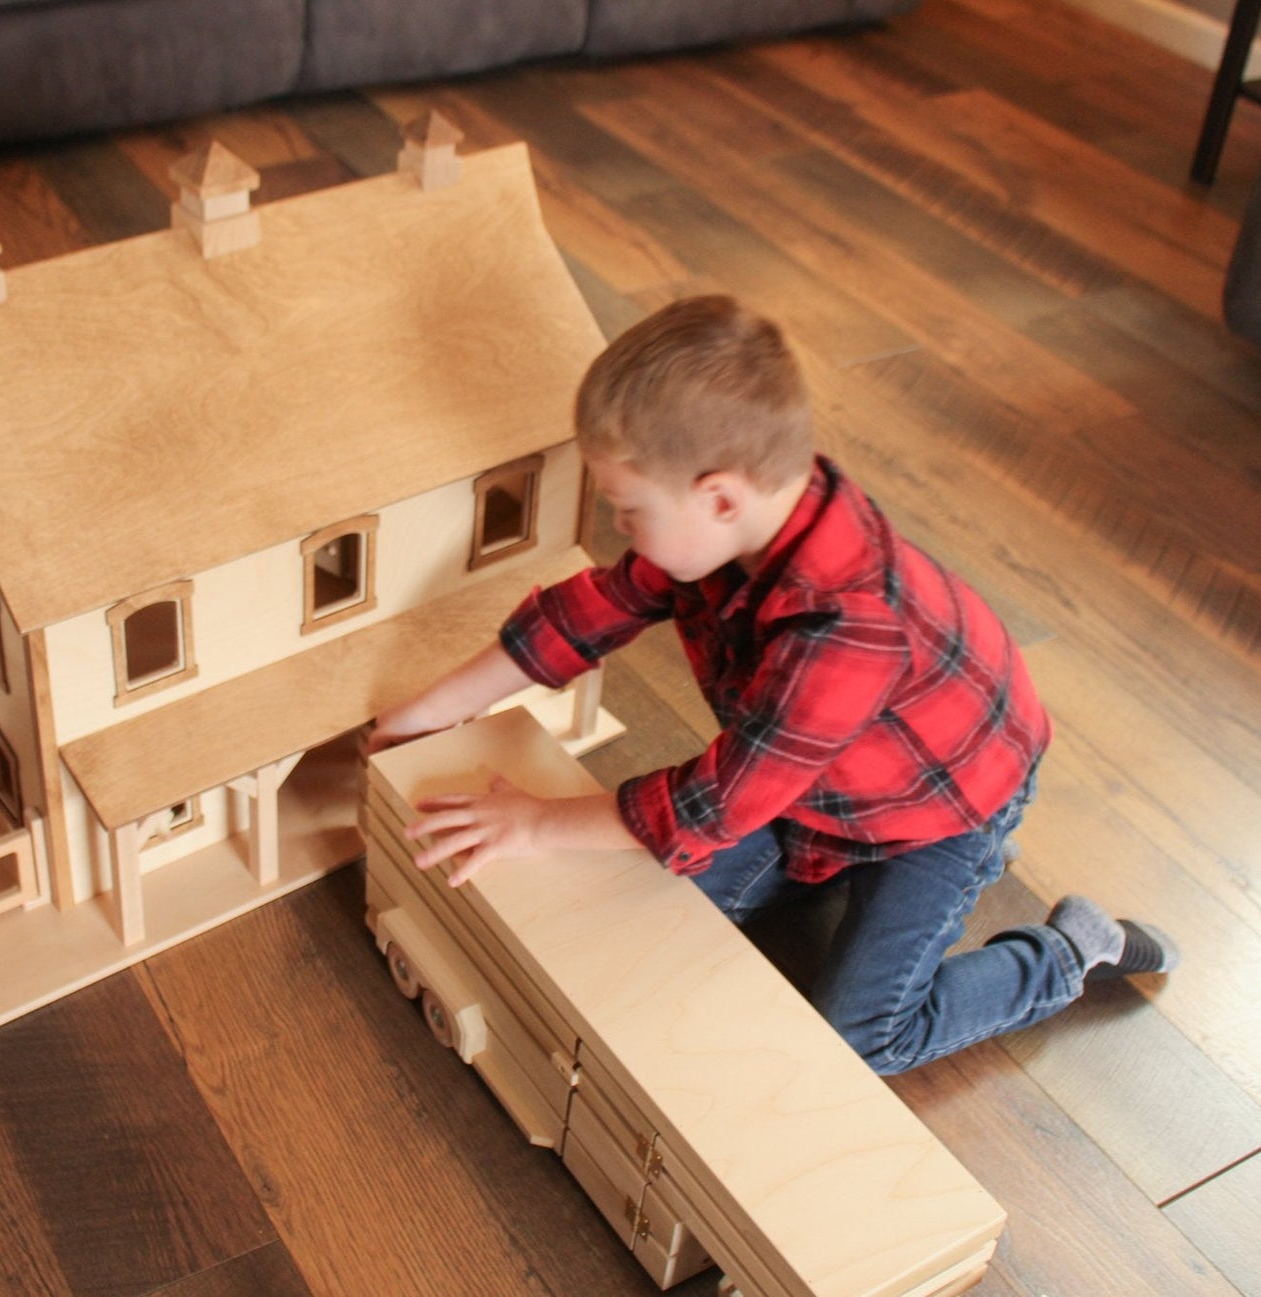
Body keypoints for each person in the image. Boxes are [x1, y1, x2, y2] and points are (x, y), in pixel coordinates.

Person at [366, 294, 1177, 1075]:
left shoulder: (848, 630)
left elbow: (710, 807)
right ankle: (882, 875)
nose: (620, 528)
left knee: (864, 1037)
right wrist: (431, 710)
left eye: (628, 508)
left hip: (942, 807)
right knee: (652, 905)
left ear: (719, 496)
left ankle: (1065, 951)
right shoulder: (730, 526)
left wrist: (537, 821)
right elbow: (592, 611)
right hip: (812, 785)